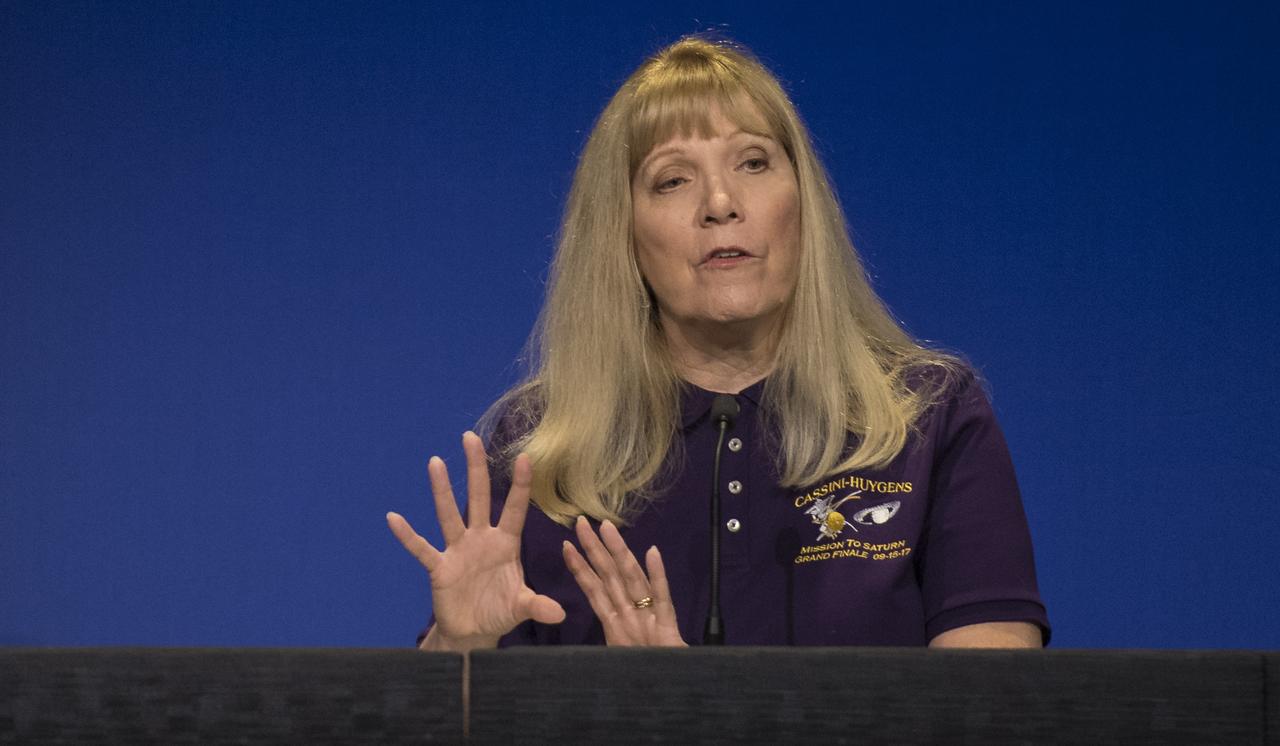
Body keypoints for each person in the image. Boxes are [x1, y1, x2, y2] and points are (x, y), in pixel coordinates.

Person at [387, 36, 1049, 650]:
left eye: (754, 162)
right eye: (673, 179)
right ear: (623, 235)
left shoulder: (930, 419)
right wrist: (459, 651)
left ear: (802, 205)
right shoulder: (544, 450)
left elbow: (991, 712)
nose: (721, 201)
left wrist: (694, 715)